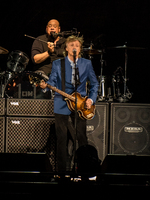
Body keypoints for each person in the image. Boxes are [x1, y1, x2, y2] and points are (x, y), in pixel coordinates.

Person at [39, 35, 99, 173]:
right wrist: (45, 86)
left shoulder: (86, 64)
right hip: (61, 102)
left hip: (81, 104)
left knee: (82, 138)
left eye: (77, 46)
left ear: (80, 49)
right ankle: (62, 172)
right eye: (71, 45)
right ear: (66, 48)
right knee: (62, 139)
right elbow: (52, 82)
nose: (74, 48)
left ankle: (83, 171)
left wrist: (90, 99)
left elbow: (94, 84)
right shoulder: (57, 64)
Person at [31, 19, 66, 99]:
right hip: (43, 74)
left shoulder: (65, 42)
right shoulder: (39, 40)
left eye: (54, 26)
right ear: (46, 28)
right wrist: (49, 52)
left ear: (59, 29)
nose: (52, 28)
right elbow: (35, 59)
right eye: (50, 26)